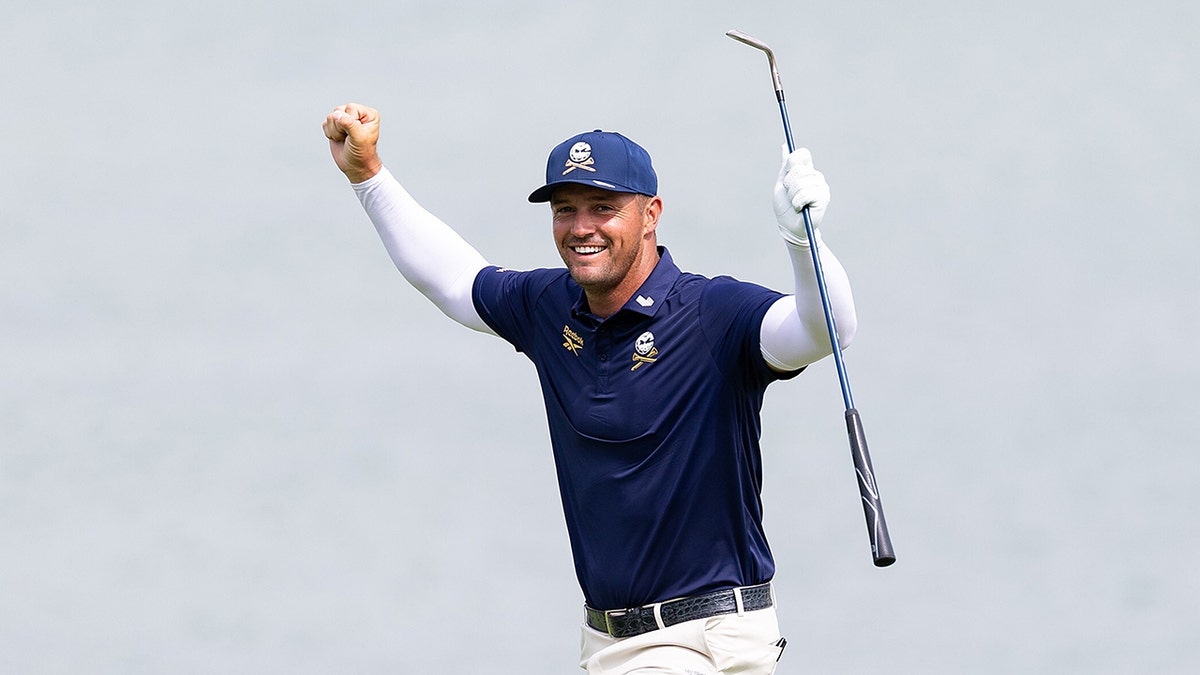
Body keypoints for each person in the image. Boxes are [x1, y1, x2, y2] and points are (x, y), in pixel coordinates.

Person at [322, 102, 857, 674]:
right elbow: (452, 277)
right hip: (607, 643)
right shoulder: (550, 308)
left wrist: (803, 241)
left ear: (650, 213)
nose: (581, 228)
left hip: (704, 640)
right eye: (565, 210)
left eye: (603, 207)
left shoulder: (711, 315)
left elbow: (825, 328)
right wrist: (367, 174)